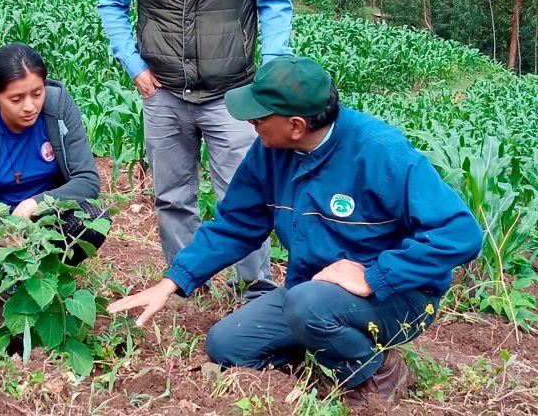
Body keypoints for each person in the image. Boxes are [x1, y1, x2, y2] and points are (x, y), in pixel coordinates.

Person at [107, 56, 483, 406]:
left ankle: (379, 372)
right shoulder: (270, 151)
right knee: (227, 344)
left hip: (400, 296)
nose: (250, 123)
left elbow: (462, 233)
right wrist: (173, 281)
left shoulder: (381, 154)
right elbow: (236, 224)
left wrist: (375, 274)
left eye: (259, 116)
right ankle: (325, 340)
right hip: (313, 291)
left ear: (296, 125)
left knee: (308, 306)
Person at [97, 0, 294, 298]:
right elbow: (110, 3)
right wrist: (134, 65)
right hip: (164, 93)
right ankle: (186, 286)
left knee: (243, 195)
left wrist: (270, 75)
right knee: (172, 197)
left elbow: (275, 5)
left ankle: (257, 289)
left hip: (234, 95)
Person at [0, 43, 107, 270]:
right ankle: (15, 282)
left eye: (37, 93)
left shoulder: (58, 107)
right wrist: (5, 233)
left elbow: (87, 180)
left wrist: (33, 204)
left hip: (48, 216)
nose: (29, 106)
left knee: (95, 217)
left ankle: (47, 272)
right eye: (15, 99)